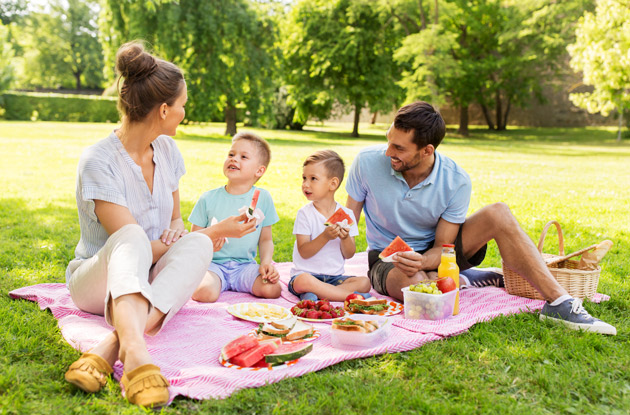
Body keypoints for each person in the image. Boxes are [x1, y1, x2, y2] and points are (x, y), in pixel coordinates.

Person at [63, 41, 256, 408]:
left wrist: (189, 235)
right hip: (98, 282)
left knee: (198, 246)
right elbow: (131, 245)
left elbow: (175, 221)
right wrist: (214, 232)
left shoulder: (168, 151)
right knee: (135, 235)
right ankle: (136, 353)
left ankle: (111, 345)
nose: (185, 112)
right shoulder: (98, 161)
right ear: (165, 109)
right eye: (182, 105)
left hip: (151, 277)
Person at [345, 101, 616, 336]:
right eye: (388, 140)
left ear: (427, 150)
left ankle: (559, 303)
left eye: (398, 148)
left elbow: (444, 247)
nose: (387, 152)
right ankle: (466, 279)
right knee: (420, 293)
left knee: (499, 212)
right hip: (386, 258)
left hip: (437, 253)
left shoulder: (455, 180)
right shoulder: (366, 163)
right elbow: (347, 221)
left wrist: (425, 261)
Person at [189, 132, 282, 302]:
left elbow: (265, 240)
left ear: (259, 170)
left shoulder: (264, 198)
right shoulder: (208, 198)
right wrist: (211, 240)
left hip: (245, 266)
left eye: (243, 156)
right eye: (231, 154)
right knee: (204, 293)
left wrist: (266, 263)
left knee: (273, 289)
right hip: (213, 266)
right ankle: (210, 282)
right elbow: (194, 238)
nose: (234, 159)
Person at [288, 150, 371, 301]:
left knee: (364, 282)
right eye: (304, 178)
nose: (305, 184)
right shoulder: (305, 214)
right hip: (306, 275)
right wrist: (325, 236)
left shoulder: (346, 214)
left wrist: (345, 238)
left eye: (313, 179)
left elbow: (349, 254)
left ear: (332, 184)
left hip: (334, 278)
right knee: (303, 281)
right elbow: (304, 252)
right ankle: (351, 297)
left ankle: (319, 295)